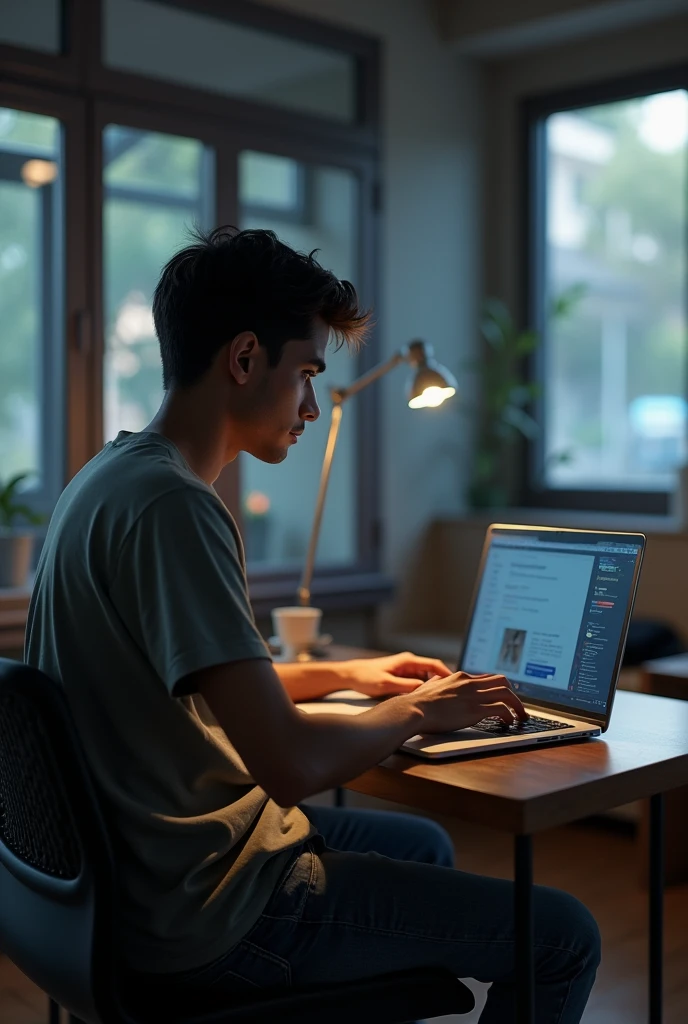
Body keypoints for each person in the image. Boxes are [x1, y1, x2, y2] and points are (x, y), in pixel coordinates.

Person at [25, 227, 600, 1023]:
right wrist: (425, 710)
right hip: (205, 912)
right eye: (306, 375)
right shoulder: (176, 506)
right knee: (563, 935)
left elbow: (198, 683)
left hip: (127, 885)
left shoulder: (111, 478)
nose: (309, 408)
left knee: (424, 845)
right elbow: (290, 763)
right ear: (245, 357)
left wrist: (351, 675)